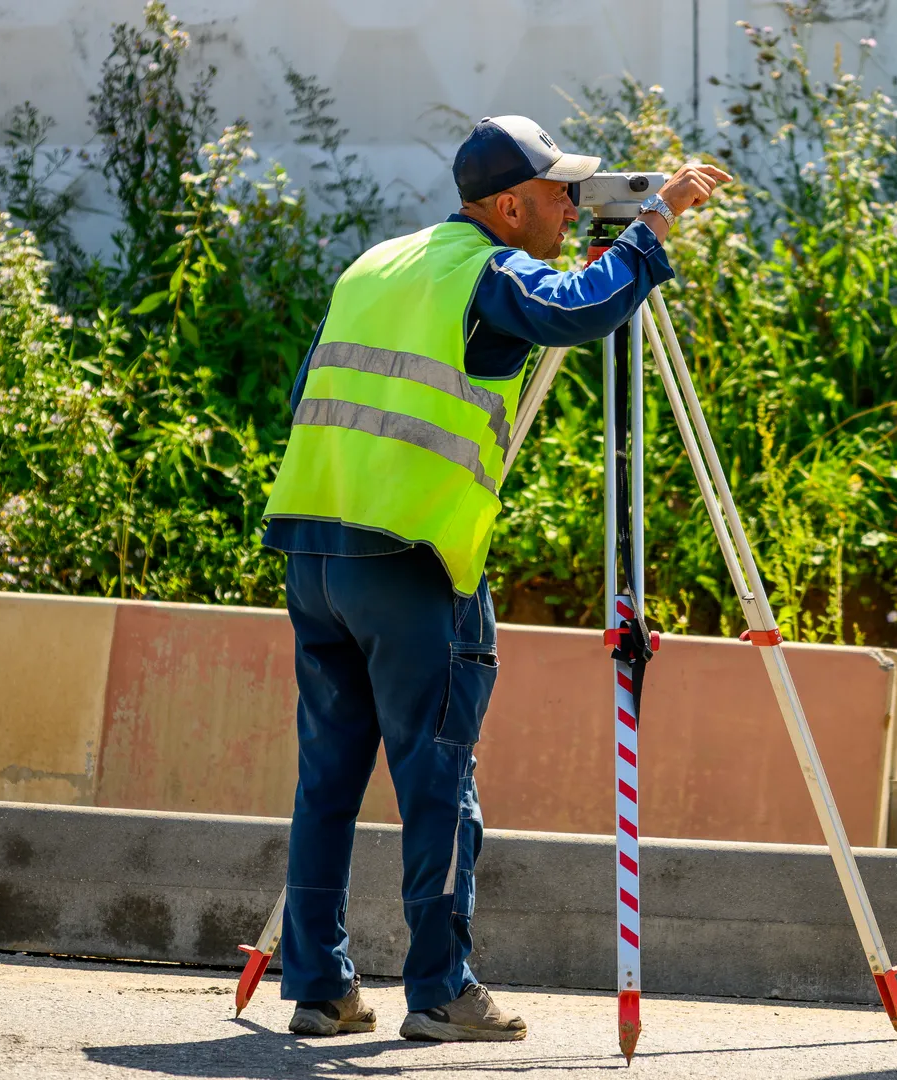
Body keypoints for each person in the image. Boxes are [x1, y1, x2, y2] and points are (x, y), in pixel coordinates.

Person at [258, 115, 731, 1041]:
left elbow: (316, 391)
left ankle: (319, 989)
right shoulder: (489, 271)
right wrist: (655, 223)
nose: (572, 208)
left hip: (314, 552)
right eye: (559, 194)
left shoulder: (376, 266)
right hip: (412, 560)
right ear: (508, 207)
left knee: (327, 783)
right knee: (438, 784)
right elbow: (582, 309)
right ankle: (441, 991)